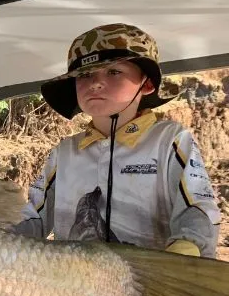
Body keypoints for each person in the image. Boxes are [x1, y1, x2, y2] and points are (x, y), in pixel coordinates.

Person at [16, 22, 220, 257]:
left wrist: (187, 247)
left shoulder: (169, 140)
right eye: (84, 75)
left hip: (151, 285)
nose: (95, 82)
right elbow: (34, 214)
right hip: (76, 287)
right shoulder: (65, 152)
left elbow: (197, 207)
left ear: (147, 84)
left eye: (114, 72)